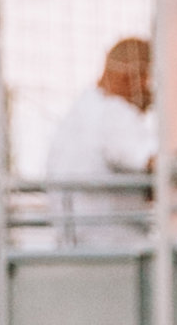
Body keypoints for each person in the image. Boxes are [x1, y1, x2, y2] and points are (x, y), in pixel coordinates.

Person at [44, 36, 155, 244]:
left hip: (73, 246)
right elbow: (157, 162)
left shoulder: (79, 113)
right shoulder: (115, 112)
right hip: (117, 248)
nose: (153, 94)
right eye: (151, 80)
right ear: (134, 77)